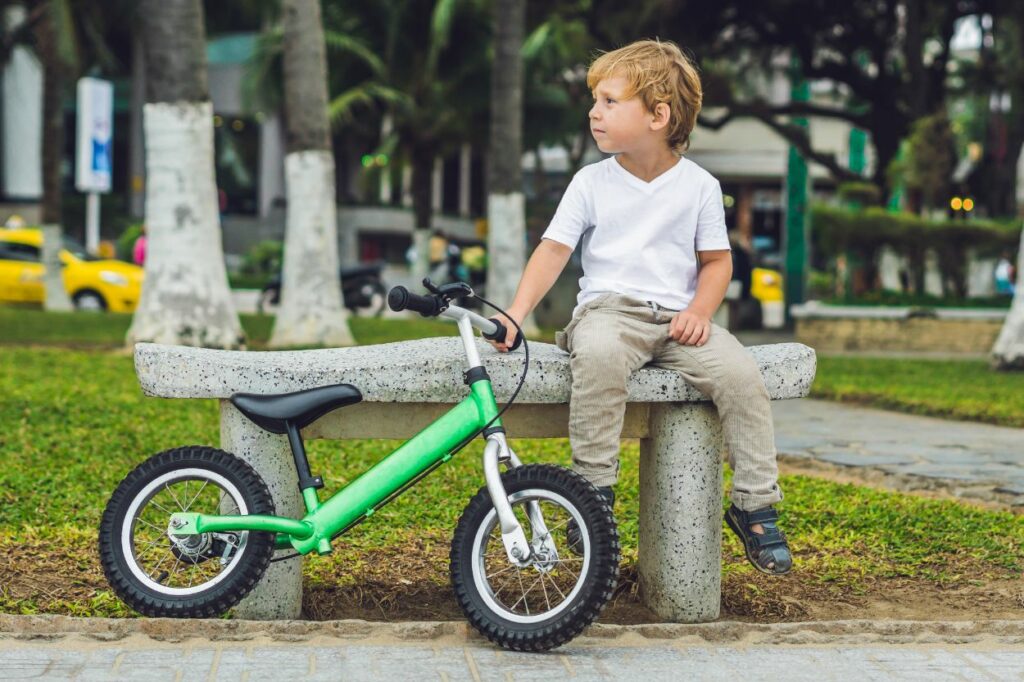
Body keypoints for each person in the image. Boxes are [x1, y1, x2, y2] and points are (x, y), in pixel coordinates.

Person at [486, 39, 791, 574]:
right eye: (595, 101)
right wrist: (515, 312)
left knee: (742, 377)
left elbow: (718, 263)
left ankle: (755, 505)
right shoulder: (591, 182)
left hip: (678, 322)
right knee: (600, 359)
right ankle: (591, 497)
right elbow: (554, 250)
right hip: (609, 314)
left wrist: (699, 311)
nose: (593, 112)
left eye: (608, 101)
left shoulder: (698, 186)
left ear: (658, 115)